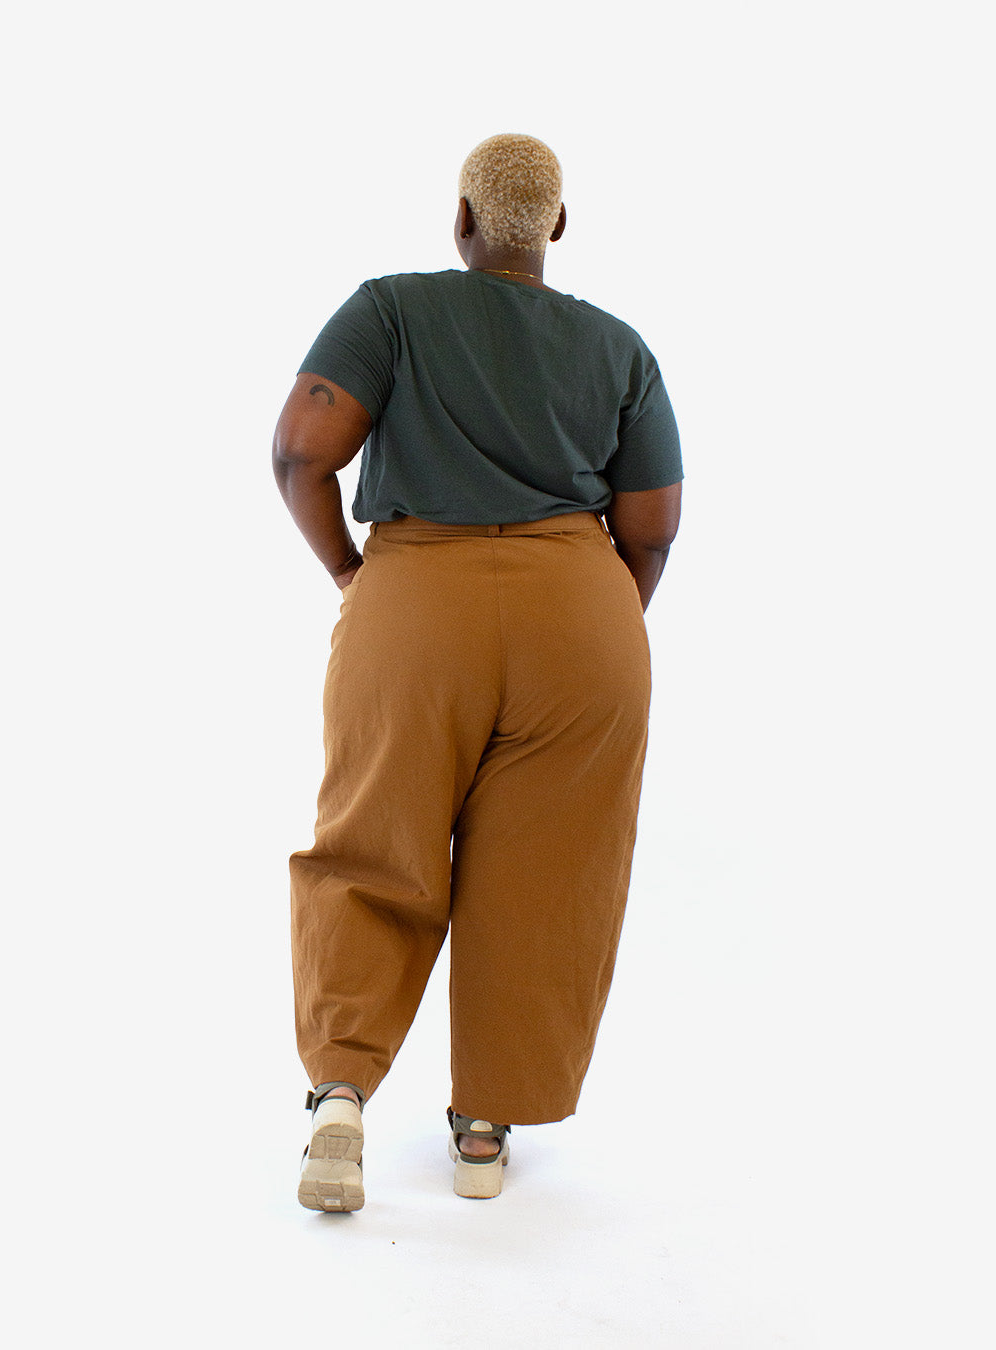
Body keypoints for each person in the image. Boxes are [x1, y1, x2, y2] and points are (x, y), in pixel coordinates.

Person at [272, 133, 683, 1211]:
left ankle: (340, 1097)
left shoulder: (392, 310)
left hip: (416, 600)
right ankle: (486, 1133)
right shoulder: (620, 349)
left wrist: (354, 572)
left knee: (373, 844)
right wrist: (593, 623)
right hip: (583, 617)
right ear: (558, 227)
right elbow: (653, 528)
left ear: (461, 218)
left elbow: (301, 451)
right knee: (548, 873)